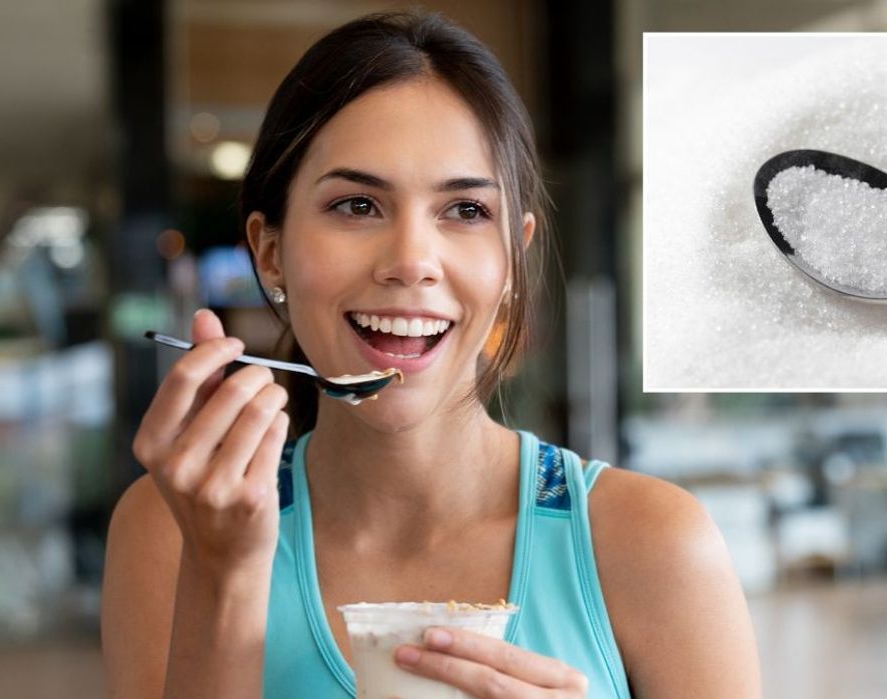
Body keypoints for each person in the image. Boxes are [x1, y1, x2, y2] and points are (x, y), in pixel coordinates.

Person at [102, 10, 760, 699]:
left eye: (466, 210)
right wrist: (224, 575)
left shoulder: (654, 543)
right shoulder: (172, 528)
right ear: (270, 252)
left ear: (513, 258)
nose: (412, 260)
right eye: (357, 205)